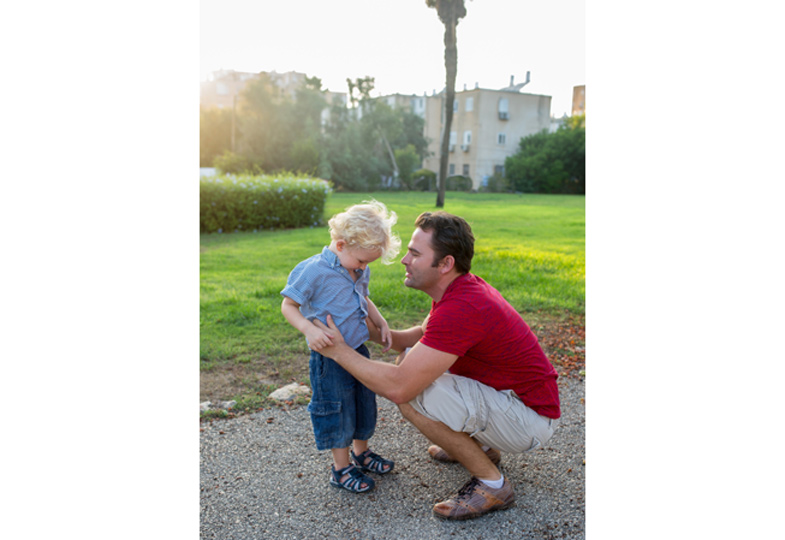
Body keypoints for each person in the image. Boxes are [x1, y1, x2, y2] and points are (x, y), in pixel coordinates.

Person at [310, 211, 560, 520]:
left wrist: (339, 352)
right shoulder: (458, 290)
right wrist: (359, 326)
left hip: (528, 420)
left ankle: (493, 485)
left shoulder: (463, 307)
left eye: (415, 254)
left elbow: (399, 387)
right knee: (412, 362)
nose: (404, 259)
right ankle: (483, 448)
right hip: (514, 404)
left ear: (445, 264)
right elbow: (417, 337)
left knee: (413, 392)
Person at [280, 200, 401, 494]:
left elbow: (363, 297)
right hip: (329, 357)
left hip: (357, 348)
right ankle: (341, 468)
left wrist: (379, 319)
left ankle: (361, 453)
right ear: (341, 244)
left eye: (368, 263)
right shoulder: (313, 270)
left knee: (363, 404)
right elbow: (289, 305)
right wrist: (309, 329)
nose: (364, 267)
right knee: (338, 409)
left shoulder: (358, 269)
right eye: (362, 261)